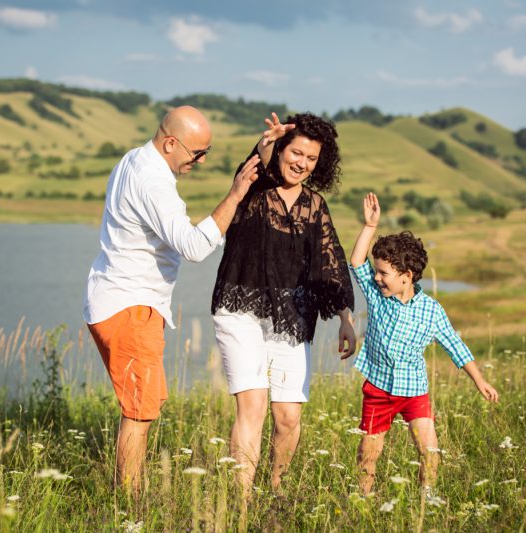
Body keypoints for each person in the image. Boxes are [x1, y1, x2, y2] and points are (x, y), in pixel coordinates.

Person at [84, 106, 260, 494]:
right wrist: (235, 194)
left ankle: (129, 494)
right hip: (130, 306)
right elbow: (195, 247)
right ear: (170, 143)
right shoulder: (152, 183)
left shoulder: (136, 158)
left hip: (120, 299)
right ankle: (128, 502)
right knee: (139, 413)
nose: (200, 161)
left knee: (144, 406)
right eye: (197, 153)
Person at [211, 112, 356, 494]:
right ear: (280, 150)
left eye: (311, 159)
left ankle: (276, 491)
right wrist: (264, 144)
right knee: (253, 405)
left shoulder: (315, 206)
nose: (302, 163)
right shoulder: (254, 186)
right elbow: (252, 163)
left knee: (289, 417)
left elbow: (331, 261)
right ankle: (240, 501)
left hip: (291, 316)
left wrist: (345, 317)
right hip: (241, 307)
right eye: (296, 153)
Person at [348, 192, 499, 499]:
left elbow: (455, 346)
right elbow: (356, 261)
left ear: (406, 276)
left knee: (429, 449)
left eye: (384, 273)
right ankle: (362, 499)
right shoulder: (377, 296)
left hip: (414, 391)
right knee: (368, 451)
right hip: (378, 388)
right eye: (376, 271)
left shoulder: (431, 310)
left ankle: (426, 497)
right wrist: (368, 226)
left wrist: (479, 379)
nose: (376, 278)